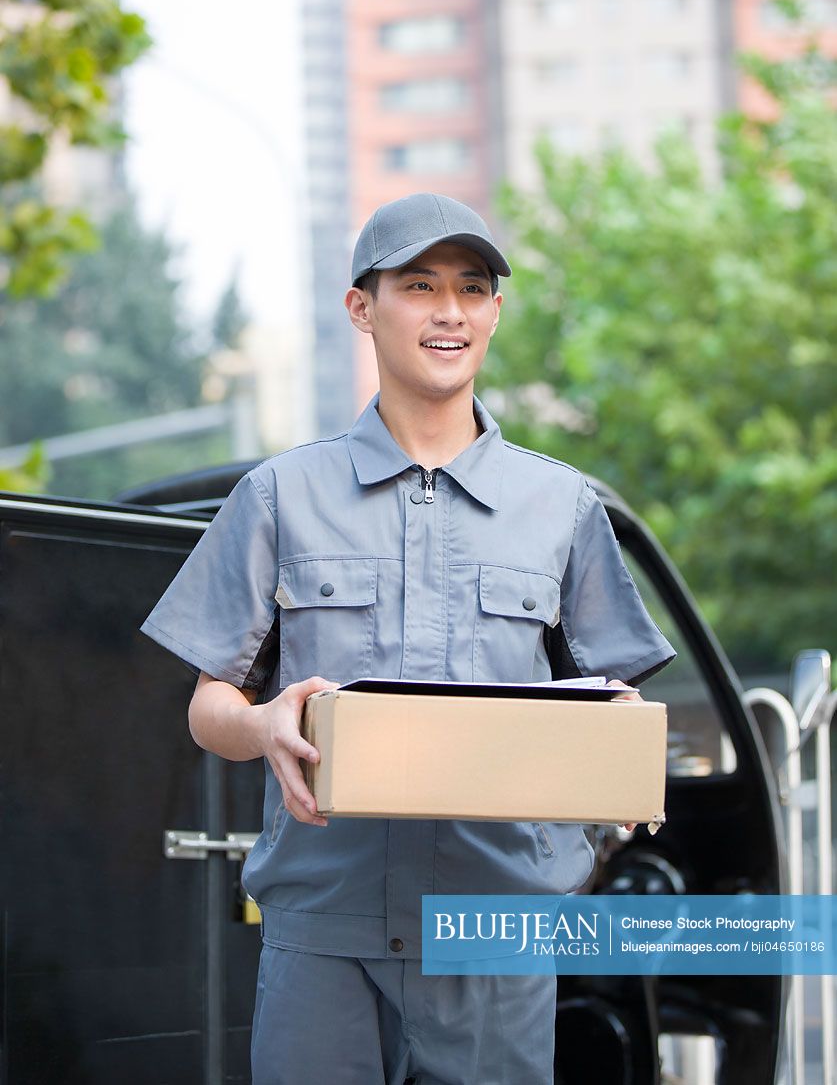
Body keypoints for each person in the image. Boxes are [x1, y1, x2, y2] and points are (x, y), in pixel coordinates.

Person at [140, 192, 676, 1085]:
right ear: (362, 306)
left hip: (493, 936)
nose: (449, 311)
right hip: (325, 934)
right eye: (419, 285)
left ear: (496, 312)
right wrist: (266, 722)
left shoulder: (563, 508)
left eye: (472, 288)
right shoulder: (279, 496)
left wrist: (616, 753)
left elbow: (616, 705)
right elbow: (208, 706)